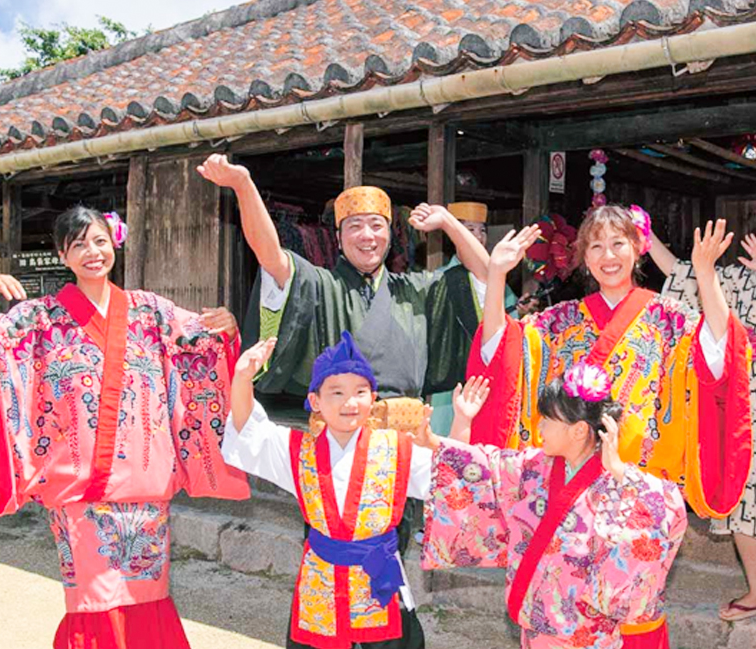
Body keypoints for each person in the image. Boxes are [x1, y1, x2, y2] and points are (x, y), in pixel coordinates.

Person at [0, 206, 249, 649]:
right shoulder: (41, 318)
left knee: (147, 595)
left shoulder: (151, 310)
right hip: (79, 491)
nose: (92, 252)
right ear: (62, 254)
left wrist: (225, 330)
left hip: (144, 490)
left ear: (113, 242)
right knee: (90, 603)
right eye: (78, 245)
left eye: (98, 241)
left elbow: (202, 343)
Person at [465, 205, 752, 526]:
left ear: (637, 249)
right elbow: (502, 352)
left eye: (618, 243)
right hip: (571, 486)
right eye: (596, 246)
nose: (608, 255)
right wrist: (496, 275)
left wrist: (705, 274)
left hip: (640, 489)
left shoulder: (667, 318)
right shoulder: (563, 321)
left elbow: (718, 352)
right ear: (584, 258)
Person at [420, 369, 688, 649]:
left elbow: (665, 508)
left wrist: (620, 471)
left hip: (589, 637)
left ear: (579, 430)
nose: (540, 429)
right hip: (536, 629)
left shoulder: (619, 484)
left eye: (547, 421)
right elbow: (479, 467)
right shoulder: (533, 467)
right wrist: (445, 431)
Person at [196, 154, 490, 401]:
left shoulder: (416, 291)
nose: (367, 236)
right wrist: (244, 186)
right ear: (337, 238)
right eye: (354, 226)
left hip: (406, 436)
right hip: (338, 434)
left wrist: (449, 222)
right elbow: (270, 255)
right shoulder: (321, 285)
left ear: (390, 235)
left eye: (377, 225)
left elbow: (487, 274)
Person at [222, 331, 431, 649]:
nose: (350, 402)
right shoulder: (297, 451)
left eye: (361, 391)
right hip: (321, 577)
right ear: (316, 401)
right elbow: (247, 428)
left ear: (372, 398)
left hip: (381, 574)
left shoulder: (398, 449)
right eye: (337, 392)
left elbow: (447, 478)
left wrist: (460, 425)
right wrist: (242, 378)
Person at [651, 230, 756, 623]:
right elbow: (683, 273)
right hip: (743, 404)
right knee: (745, 497)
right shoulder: (737, 278)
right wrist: (645, 238)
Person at [425, 201, 517, 435]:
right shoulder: (440, 279)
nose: (477, 235)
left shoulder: (500, 279)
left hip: (490, 378)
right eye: (468, 229)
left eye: (481, 230)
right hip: (451, 381)